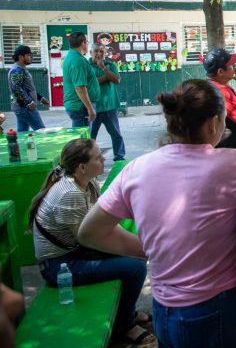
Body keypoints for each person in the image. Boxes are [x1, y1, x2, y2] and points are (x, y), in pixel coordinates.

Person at [78, 80, 236, 347]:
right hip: (220, 307)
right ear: (213, 124)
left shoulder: (136, 169)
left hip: (165, 310)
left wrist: (149, 249)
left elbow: (90, 232)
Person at [29, 138, 154, 345]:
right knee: (135, 268)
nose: (104, 159)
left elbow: (102, 226)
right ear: (82, 167)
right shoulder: (70, 193)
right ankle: (125, 325)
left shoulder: (87, 182)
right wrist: (141, 248)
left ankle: (128, 312)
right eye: (98, 157)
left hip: (76, 250)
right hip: (59, 266)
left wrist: (138, 247)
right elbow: (90, 239)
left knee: (134, 258)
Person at [204, 48, 236, 151]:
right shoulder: (221, 91)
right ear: (221, 71)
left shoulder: (214, 86)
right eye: (232, 65)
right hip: (230, 150)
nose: (235, 67)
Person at [89, 44, 125, 161]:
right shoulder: (86, 66)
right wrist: (107, 77)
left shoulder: (110, 65)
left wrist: (103, 68)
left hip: (110, 106)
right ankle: (90, 160)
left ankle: (119, 157)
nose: (99, 54)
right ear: (90, 52)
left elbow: (117, 80)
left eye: (101, 51)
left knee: (116, 134)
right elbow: (89, 83)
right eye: (96, 51)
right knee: (90, 137)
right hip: (93, 108)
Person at [63, 32, 100, 127]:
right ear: (83, 43)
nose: (87, 44)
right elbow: (80, 87)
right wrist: (90, 108)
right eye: (87, 42)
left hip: (78, 106)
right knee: (82, 140)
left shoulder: (71, 57)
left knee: (82, 139)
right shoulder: (77, 60)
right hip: (80, 107)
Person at [8, 45, 49, 131]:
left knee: (22, 133)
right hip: (25, 108)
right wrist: (29, 102)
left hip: (21, 107)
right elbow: (16, 88)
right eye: (29, 55)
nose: (31, 57)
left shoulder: (22, 69)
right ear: (21, 57)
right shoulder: (17, 70)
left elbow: (27, 88)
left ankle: (20, 144)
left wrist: (40, 98)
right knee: (41, 131)